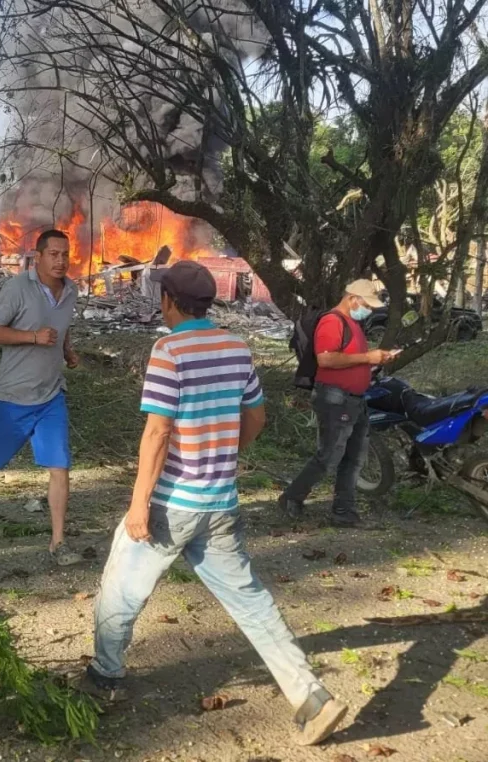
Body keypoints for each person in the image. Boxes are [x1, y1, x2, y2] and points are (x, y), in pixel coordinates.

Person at [85, 260, 349, 746]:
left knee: (121, 587)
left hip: (174, 503)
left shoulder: (168, 350)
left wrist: (139, 504)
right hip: (220, 501)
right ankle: (312, 697)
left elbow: (158, 431)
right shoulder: (236, 346)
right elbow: (257, 418)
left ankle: (104, 679)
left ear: (167, 300)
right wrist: (223, 454)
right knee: (250, 602)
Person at [0, 229, 82, 567]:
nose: (60, 260)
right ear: (37, 256)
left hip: (51, 395)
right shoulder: (17, 288)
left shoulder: (71, 291)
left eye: (64, 254)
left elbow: (63, 326)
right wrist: (33, 337)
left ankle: (59, 543)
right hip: (13, 395)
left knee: (60, 466)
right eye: (53, 254)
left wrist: (67, 350)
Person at [279, 281, 396, 527]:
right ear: (353, 299)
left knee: (354, 458)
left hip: (354, 399)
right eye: (367, 304)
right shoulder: (333, 322)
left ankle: (344, 511)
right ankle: (292, 496)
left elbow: (349, 359)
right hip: (336, 398)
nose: (369, 310)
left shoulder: (353, 323)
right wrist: (368, 357)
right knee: (329, 456)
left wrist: (375, 359)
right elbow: (326, 358)